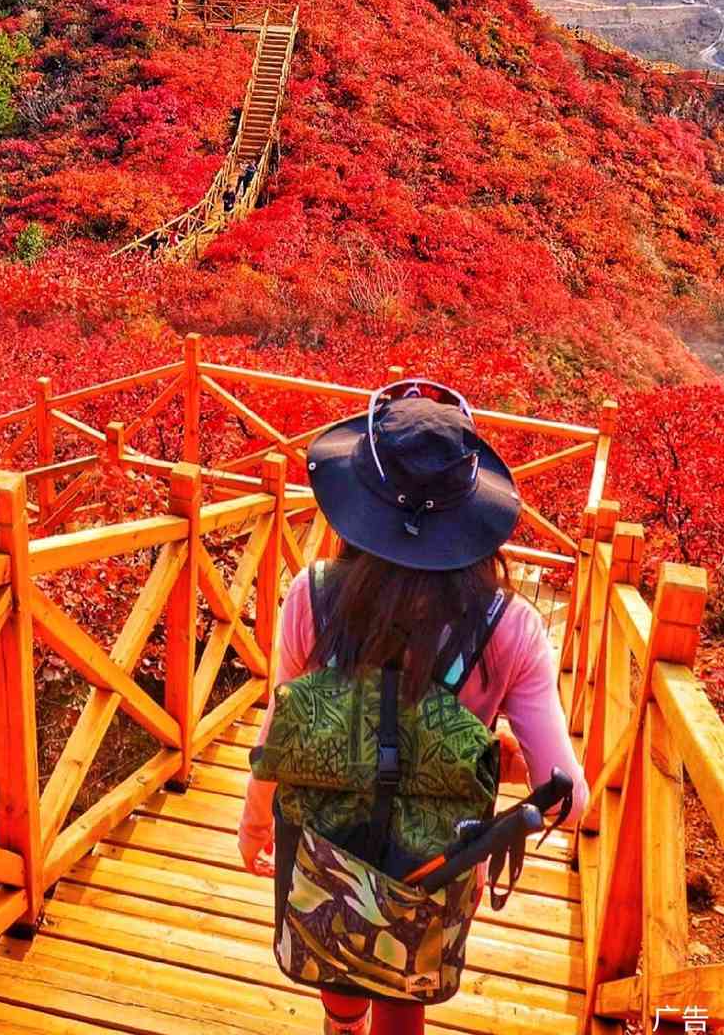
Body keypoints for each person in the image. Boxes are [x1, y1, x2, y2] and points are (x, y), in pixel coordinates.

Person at [238, 381, 589, 1035]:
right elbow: (570, 802)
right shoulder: (508, 626)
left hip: (322, 847)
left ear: (356, 500)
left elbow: (280, 729)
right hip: (438, 869)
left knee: (334, 949)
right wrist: (496, 762)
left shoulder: (310, 597)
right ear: (472, 511)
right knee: (407, 988)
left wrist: (255, 821)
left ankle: (342, 1024)